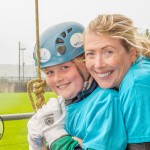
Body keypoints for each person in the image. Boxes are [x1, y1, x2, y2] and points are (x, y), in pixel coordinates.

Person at [27, 21, 127, 150]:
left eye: (65, 67)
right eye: (50, 72)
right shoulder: (63, 108)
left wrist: (55, 134)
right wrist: (38, 145)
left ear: (85, 62)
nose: (57, 79)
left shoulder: (104, 101)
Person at [84, 14, 150, 150]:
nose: (98, 64)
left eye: (108, 52)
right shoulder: (139, 69)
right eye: (90, 53)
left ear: (132, 54)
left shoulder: (136, 85)